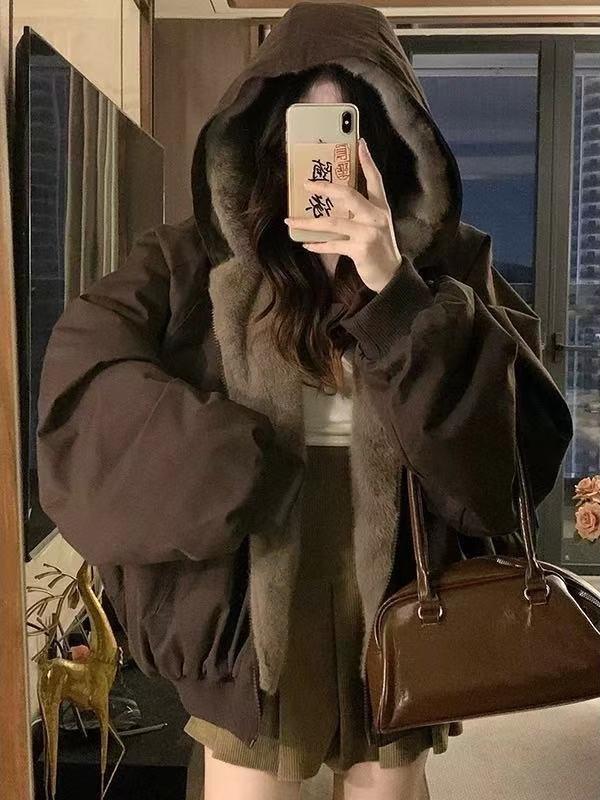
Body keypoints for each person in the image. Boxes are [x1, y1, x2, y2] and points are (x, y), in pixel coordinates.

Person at [36, 3, 574, 799]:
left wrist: (394, 289)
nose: (325, 157)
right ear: (266, 135)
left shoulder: (450, 265)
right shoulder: (188, 259)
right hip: (244, 597)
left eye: (348, 129)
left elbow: (511, 455)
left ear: (389, 141)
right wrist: (232, 461)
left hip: (399, 594)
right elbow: (82, 389)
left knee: (384, 786)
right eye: (304, 129)